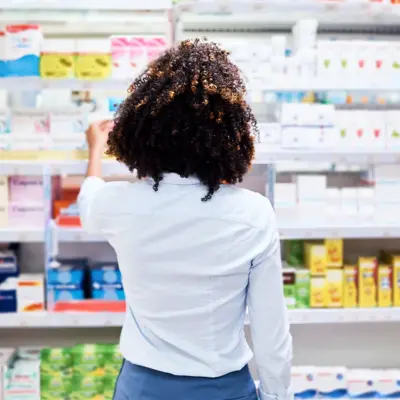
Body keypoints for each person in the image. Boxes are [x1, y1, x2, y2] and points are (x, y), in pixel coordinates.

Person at [78, 39, 292, 400]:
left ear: (141, 131)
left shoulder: (117, 204)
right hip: (225, 389)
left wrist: (96, 149)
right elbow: (272, 332)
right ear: (230, 136)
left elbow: (89, 199)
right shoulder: (253, 214)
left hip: (143, 388)